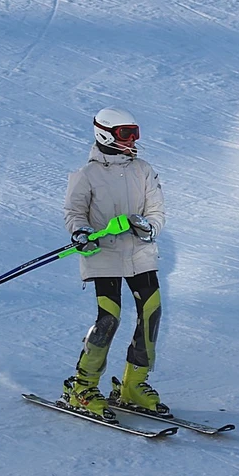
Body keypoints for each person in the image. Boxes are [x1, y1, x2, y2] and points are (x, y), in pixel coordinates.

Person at [60, 106, 168, 421]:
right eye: (126, 134)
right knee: (109, 318)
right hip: (103, 253)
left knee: (151, 312)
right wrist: (81, 232)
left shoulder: (143, 169)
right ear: (105, 134)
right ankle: (82, 386)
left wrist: (149, 227)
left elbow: (157, 211)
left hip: (139, 253)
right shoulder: (87, 174)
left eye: (135, 134)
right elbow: (74, 212)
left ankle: (133, 385)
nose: (132, 140)